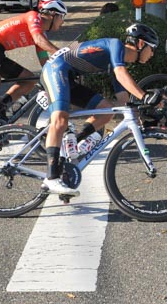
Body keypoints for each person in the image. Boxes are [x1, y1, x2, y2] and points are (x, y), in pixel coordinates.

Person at [38, 22, 158, 197]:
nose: (152, 54)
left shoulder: (117, 60)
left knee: (106, 110)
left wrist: (137, 113)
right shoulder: (116, 45)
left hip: (67, 76)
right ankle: (51, 178)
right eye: (152, 49)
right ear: (141, 44)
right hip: (56, 70)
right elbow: (121, 75)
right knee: (60, 119)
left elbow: (123, 97)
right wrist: (145, 96)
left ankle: (73, 147)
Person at [0, 0, 68, 135]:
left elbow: (44, 59)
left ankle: (2, 104)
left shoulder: (42, 35)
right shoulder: (34, 17)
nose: (62, 22)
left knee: (29, 79)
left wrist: (53, 74)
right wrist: (63, 53)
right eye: (62, 17)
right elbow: (39, 40)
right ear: (53, 13)